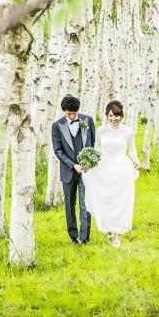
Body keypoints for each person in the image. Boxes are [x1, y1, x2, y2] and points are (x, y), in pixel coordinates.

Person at [82, 99, 140, 248]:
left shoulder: (128, 131)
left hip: (122, 169)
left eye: (117, 116)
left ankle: (118, 235)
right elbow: (97, 150)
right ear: (107, 116)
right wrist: (88, 162)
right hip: (104, 167)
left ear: (121, 116)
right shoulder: (101, 130)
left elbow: (132, 150)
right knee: (104, 199)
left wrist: (136, 160)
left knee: (121, 201)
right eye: (111, 116)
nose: (114, 119)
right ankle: (108, 229)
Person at [51, 94, 96, 245]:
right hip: (68, 171)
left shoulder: (88, 120)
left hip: (86, 170)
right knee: (69, 205)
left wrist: (89, 163)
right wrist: (73, 165)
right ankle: (73, 237)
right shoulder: (57, 126)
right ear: (63, 111)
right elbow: (58, 151)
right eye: (69, 114)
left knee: (85, 203)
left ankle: (84, 237)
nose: (72, 116)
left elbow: (93, 143)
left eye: (74, 113)